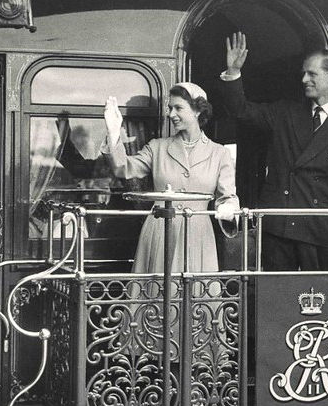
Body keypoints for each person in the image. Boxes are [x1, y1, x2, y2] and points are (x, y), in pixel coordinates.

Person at [219, 32, 328, 271]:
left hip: (321, 230)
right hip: (279, 227)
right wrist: (233, 72)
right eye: (303, 73)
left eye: (312, 74)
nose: (304, 79)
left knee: (320, 300)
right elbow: (241, 110)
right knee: (277, 299)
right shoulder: (285, 112)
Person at [102, 83, 239, 274]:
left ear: (198, 111)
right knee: (158, 293)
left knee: (196, 297)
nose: (171, 114)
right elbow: (123, 168)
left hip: (199, 235)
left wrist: (228, 208)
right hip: (160, 230)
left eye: (178, 108)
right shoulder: (157, 147)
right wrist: (114, 133)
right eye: (170, 108)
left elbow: (228, 196)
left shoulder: (219, 153)